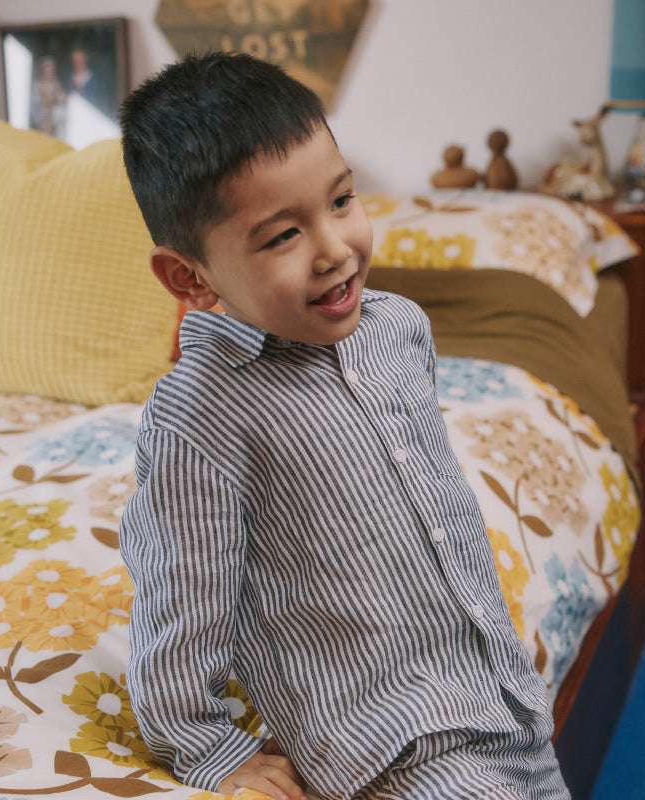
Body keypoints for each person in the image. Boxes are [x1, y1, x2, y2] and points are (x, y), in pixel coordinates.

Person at [118, 51, 570, 800]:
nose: (334, 249)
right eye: (281, 237)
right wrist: (207, 748)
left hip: (503, 698)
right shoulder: (200, 416)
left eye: (341, 201)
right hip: (395, 744)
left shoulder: (399, 328)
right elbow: (180, 597)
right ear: (191, 278)